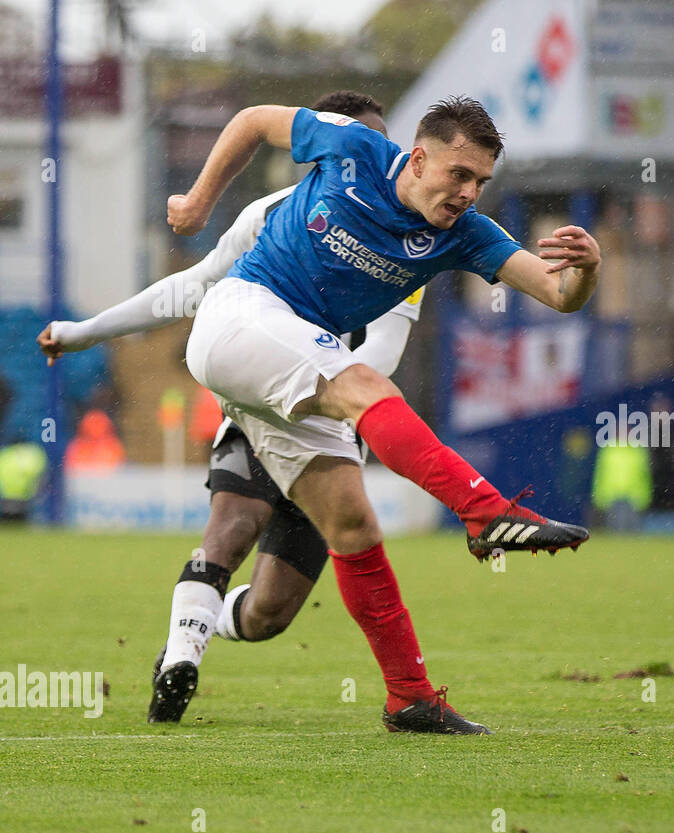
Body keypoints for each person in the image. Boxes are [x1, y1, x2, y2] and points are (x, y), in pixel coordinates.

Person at [163, 95, 600, 735]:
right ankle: (485, 513)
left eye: (480, 181)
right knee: (365, 384)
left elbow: (560, 294)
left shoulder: (465, 235)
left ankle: (410, 698)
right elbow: (256, 120)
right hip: (242, 317)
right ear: (418, 158)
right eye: (459, 174)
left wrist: (587, 270)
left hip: (298, 361)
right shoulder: (353, 147)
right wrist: (200, 201)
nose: (469, 193)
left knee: (353, 526)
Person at [39, 92, 430, 722]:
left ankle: (206, 618)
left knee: (269, 614)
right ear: (319, 156)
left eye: (384, 146)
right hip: (258, 409)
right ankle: (180, 657)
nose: (371, 158)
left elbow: (384, 347)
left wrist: (330, 391)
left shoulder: (412, 242)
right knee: (230, 529)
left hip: (330, 430)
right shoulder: (269, 216)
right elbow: (190, 289)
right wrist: (84, 330)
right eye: (356, 144)